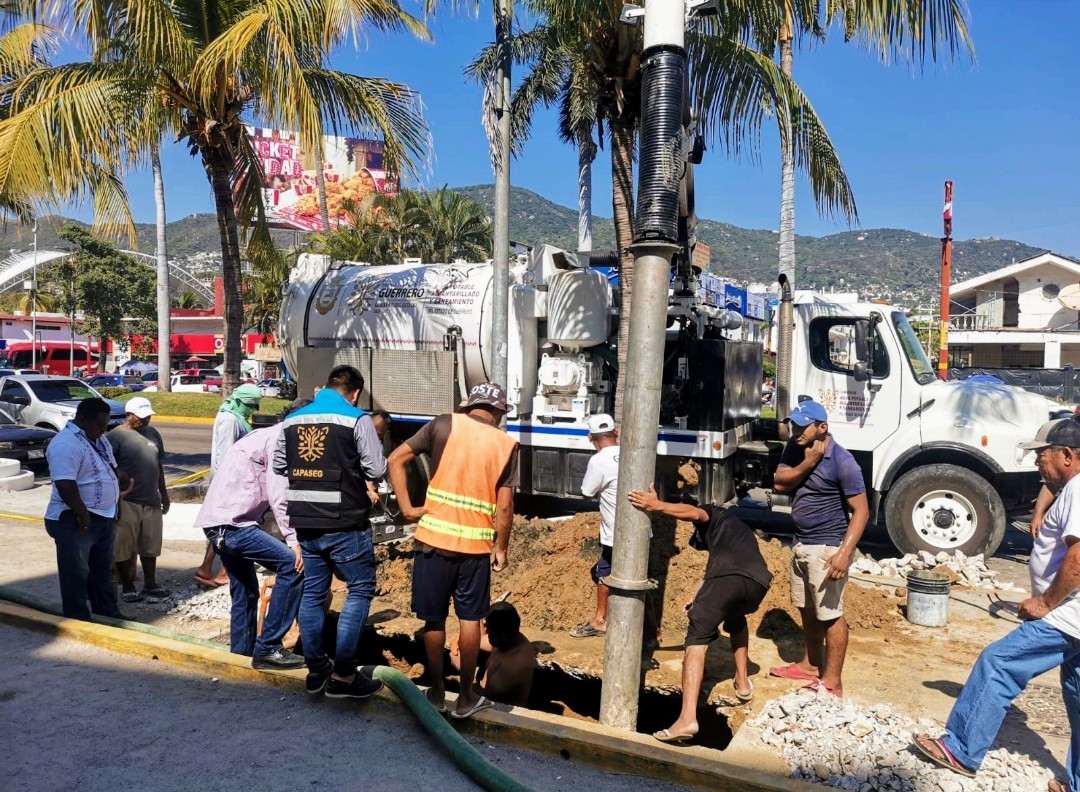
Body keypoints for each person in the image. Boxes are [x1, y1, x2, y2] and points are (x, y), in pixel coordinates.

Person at [914, 418, 1080, 792]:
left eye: (1042, 454)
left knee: (999, 663)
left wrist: (1045, 602)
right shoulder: (1071, 488)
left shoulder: (1079, 489)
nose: (1037, 461)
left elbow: (1078, 558)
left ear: (1067, 456)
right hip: (1071, 613)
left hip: (1067, 615)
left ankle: (960, 750)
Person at [387, 382, 519, 720]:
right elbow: (505, 508)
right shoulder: (506, 444)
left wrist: (407, 508)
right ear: (498, 412)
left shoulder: (443, 424)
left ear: (470, 405)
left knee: (434, 618)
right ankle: (465, 698)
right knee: (470, 619)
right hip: (475, 547)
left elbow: (395, 459)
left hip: (433, 540)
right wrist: (501, 548)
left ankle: (435, 692)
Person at [274, 365, 387, 699]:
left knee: (313, 593)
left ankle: (317, 670)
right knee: (360, 589)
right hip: (345, 521)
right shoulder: (356, 419)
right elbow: (376, 467)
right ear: (355, 393)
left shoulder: (292, 420)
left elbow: (279, 463)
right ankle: (345, 675)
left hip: (305, 520)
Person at [628, 485, 772, 743]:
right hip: (757, 584)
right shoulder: (739, 535)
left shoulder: (715, 514)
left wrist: (657, 505)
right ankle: (742, 682)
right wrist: (698, 599)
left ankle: (687, 719)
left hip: (728, 579)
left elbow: (695, 513)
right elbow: (717, 576)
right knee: (736, 618)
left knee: (696, 639)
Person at [194, 400, 310, 669]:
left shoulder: (263, 435)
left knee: (245, 592)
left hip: (219, 523)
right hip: (235, 525)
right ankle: (269, 648)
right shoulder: (281, 441)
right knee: (292, 567)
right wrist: (294, 541)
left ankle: (240, 657)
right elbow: (279, 494)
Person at [768, 399, 868, 698]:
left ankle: (833, 682)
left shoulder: (843, 461)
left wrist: (844, 553)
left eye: (803, 426)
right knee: (807, 609)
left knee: (831, 615)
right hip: (801, 543)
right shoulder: (796, 448)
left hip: (827, 548)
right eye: (794, 425)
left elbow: (861, 511)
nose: (796, 431)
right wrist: (808, 462)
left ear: (822, 427)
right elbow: (779, 484)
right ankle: (810, 666)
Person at [43, 398, 128, 621]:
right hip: (73, 517)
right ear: (82, 420)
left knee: (102, 570)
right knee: (76, 572)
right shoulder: (65, 444)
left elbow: (111, 469)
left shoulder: (99, 439)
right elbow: (65, 484)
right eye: (100, 424)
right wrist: (82, 513)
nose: (104, 429)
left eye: (106, 424)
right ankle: (77, 618)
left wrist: (116, 501)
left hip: (104, 516)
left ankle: (107, 613)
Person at [195, 383, 263, 589]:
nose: (253, 409)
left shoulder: (235, 416)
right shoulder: (230, 419)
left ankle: (207, 569)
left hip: (233, 483)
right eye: (251, 405)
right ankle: (223, 572)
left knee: (223, 527)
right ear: (239, 400)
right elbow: (225, 456)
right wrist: (233, 486)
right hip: (230, 484)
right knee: (234, 527)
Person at [107, 396, 171, 602]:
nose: (145, 420)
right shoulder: (116, 436)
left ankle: (150, 584)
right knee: (123, 545)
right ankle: (127, 585)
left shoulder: (153, 433)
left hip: (151, 499)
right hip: (127, 500)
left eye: (148, 416)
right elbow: (106, 465)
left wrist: (164, 493)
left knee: (150, 545)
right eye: (140, 417)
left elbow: (158, 465)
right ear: (128, 415)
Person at [571, 414, 619, 639]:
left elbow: (587, 492)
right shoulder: (631, 454)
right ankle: (652, 631)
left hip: (615, 533)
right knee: (639, 575)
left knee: (604, 571)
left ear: (591, 438)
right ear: (616, 432)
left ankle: (600, 620)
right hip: (641, 531)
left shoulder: (599, 460)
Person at [478, 602, 535, 707]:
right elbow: (477, 641)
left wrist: (464, 671)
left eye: (489, 629)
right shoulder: (509, 638)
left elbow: (483, 697)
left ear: (502, 636)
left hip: (499, 711)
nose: (486, 631)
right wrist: (458, 641)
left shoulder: (514, 665)